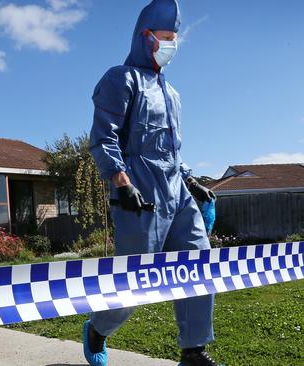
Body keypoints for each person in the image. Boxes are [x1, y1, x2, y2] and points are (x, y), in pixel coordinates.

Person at [84, 1, 219, 365]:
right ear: (146, 38)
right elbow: (103, 137)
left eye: (175, 39)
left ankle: (193, 350)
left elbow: (171, 150)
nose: (171, 45)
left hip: (176, 192)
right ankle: (99, 328)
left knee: (199, 263)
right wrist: (120, 180)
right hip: (140, 192)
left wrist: (190, 181)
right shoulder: (120, 79)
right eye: (165, 38)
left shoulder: (172, 94)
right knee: (136, 280)